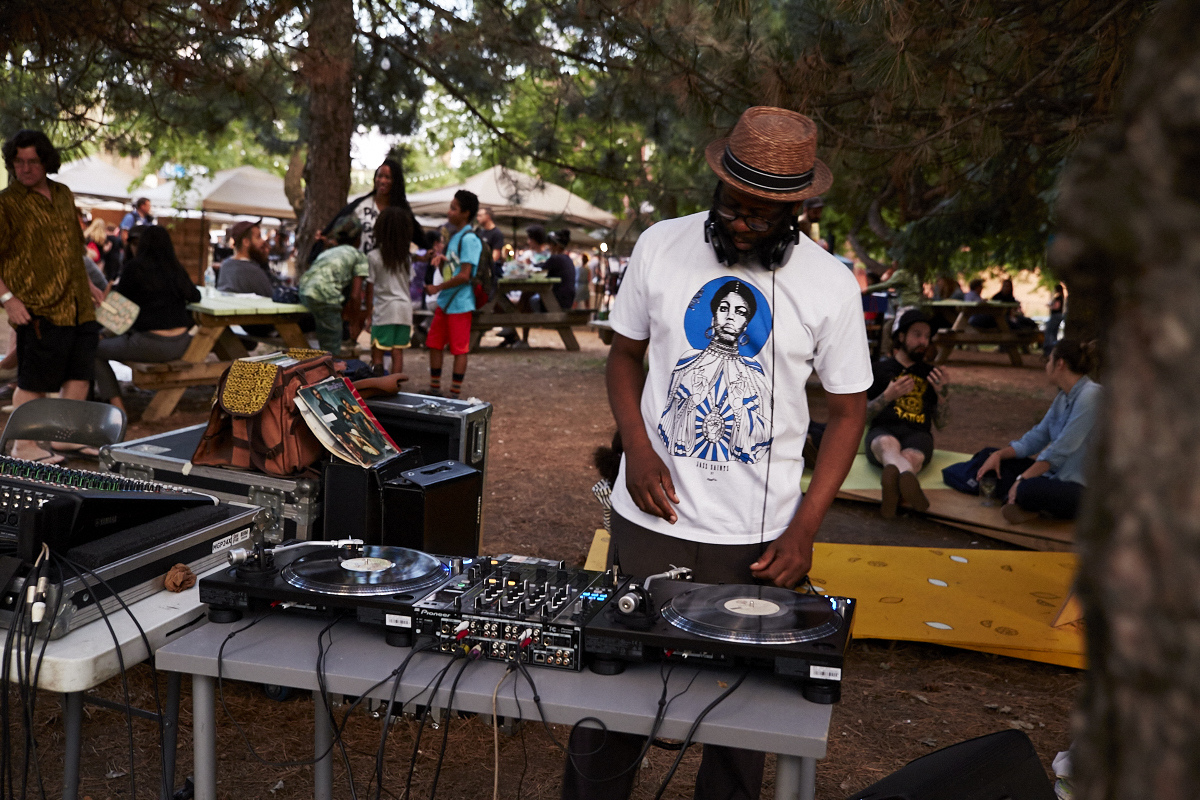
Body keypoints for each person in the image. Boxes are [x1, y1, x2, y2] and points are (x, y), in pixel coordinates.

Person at [568, 106, 872, 800]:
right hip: (650, 524)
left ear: (795, 210)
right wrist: (636, 452)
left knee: (739, 722)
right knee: (609, 702)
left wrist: (805, 525)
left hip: (758, 540)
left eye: (760, 215)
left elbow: (850, 410)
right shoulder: (660, 246)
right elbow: (623, 358)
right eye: (731, 205)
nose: (739, 222)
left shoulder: (828, 284)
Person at [0, 130, 105, 463]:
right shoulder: (6, 204)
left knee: (79, 372)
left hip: (78, 303)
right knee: (34, 380)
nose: (26, 168)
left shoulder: (62, 193)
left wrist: (85, 283)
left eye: (33, 161)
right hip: (36, 305)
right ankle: (24, 447)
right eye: (19, 161)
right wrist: (7, 299)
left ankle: (67, 438)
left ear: (46, 161)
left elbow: (74, 246)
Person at [974, 339, 1100, 522]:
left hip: (1083, 488)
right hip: (1054, 477)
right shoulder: (1062, 398)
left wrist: (1021, 480)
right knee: (989, 457)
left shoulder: (1092, 395)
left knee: (1028, 489)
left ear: (1060, 364)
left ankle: (1026, 502)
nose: (1046, 366)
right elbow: (1037, 437)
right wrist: (999, 455)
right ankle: (1028, 506)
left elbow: (1060, 450)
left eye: (1049, 360)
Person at [93, 225, 200, 417]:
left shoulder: (134, 268)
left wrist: (101, 333)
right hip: (182, 344)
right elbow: (196, 296)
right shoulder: (175, 268)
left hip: (148, 345)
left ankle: (118, 407)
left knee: (92, 349)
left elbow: (117, 310)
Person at [864, 310, 951, 518]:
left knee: (911, 455)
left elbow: (942, 424)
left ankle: (892, 492)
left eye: (927, 336)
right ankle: (910, 488)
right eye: (917, 334)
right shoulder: (878, 369)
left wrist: (943, 395)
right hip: (883, 430)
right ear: (901, 337)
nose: (923, 341)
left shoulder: (932, 374)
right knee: (888, 446)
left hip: (918, 433)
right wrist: (887, 396)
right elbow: (862, 416)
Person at [310, 158, 429, 264]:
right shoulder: (360, 205)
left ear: (395, 181)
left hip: (386, 274)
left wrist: (430, 250)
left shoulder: (400, 212)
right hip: (359, 270)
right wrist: (324, 237)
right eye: (379, 176)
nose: (382, 181)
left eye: (387, 177)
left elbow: (418, 237)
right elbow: (337, 228)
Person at [423, 190, 481, 398]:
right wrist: (441, 259)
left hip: (460, 302)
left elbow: (465, 275)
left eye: (454, 208)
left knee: (459, 348)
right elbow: (456, 268)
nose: (449, 212)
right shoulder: (456, 237)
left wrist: (438, 288)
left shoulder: (469, 239)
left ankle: (454, 392)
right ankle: (435, 388)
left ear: (465, 213)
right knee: (434, 343)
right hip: (447, 301)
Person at [299, 216, 369, 355]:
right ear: (358, 239)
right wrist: (354, 324)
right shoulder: (359, 256)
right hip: (326, 298)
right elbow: (356, 295)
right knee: (330, 350)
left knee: (322, 325)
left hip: (304, 292)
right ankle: (328, 372)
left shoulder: (328, 252)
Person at [366, 206, 414, 376]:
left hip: (384, 309)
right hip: (404, 310)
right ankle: (396, 387)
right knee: (397, 351)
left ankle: (379, 385)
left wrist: (367, 313)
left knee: (378, 349)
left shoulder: (374, 256)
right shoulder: (406, 258)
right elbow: (408, 284)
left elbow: (370, 287)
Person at [216, 220, 274, 297]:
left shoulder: (226, 265)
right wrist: (264, 261)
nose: (262, 241)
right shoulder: (253, 271)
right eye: (258, 237)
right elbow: (272, 296)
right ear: (246, 242)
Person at [542, 229, 576, 310]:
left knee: (532, 299)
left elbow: (540, 270)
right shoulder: (568, 259)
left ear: (556, 245)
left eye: (550, 244)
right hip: (568, 299)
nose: (548, 247)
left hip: (558, 299)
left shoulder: (555, 258)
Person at [1044, 283, 1066, 353]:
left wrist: (1050, 306)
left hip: (1056, 316)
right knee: (1054, 332)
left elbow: (1056, 307)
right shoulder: (1061, 297)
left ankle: (1049, 349)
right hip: (1058, 316)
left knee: (1050, 332)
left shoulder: (1059, 298)